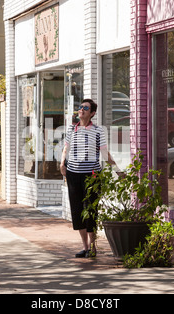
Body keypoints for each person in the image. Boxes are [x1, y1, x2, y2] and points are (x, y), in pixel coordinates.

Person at [60, 99, 119, 258]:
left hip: (91, 176)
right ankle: (85, 247)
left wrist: (118, 170)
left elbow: (105, 153)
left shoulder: (99, 131)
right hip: (73, 174)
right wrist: (62, 163)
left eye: (85, 108)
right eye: (80, 107)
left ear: (92, 113)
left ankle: (93, 247)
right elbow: (66, 148)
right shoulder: (72, 129)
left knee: (90, 209)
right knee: (77, 210)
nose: (81, 110)